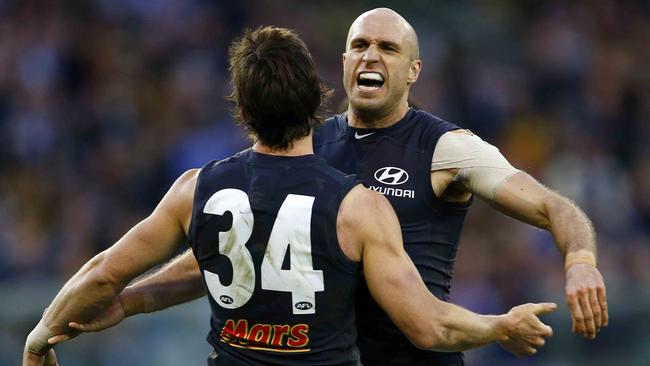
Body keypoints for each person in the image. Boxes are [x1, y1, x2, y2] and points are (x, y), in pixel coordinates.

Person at [50, 7, 607, 366]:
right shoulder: (304, 148)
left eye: (389, 49)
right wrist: (133, 300)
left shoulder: (447, 148)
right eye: (361, 44)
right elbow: (226, 258)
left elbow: (552, 205)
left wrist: (579, 257)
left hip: (418, 354)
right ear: (342, 63)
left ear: (414, 71)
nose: (371, 55)